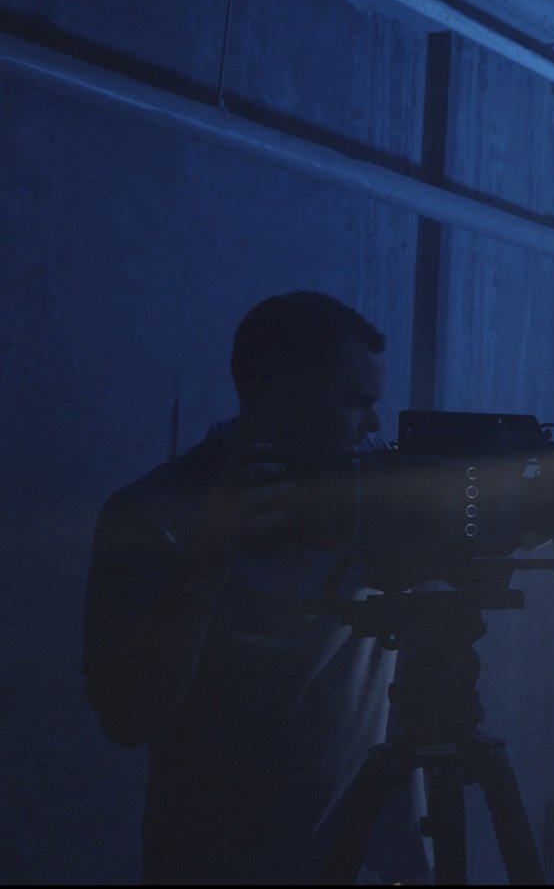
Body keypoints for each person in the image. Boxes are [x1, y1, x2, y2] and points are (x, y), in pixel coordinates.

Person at [82, 290, 430, 885]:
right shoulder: (152, 513)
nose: (372, 424)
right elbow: (125, 715)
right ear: (288, 397)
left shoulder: (375, 488)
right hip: (218, 866)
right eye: (354, 403)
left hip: (373, 866)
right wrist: (209, 559)